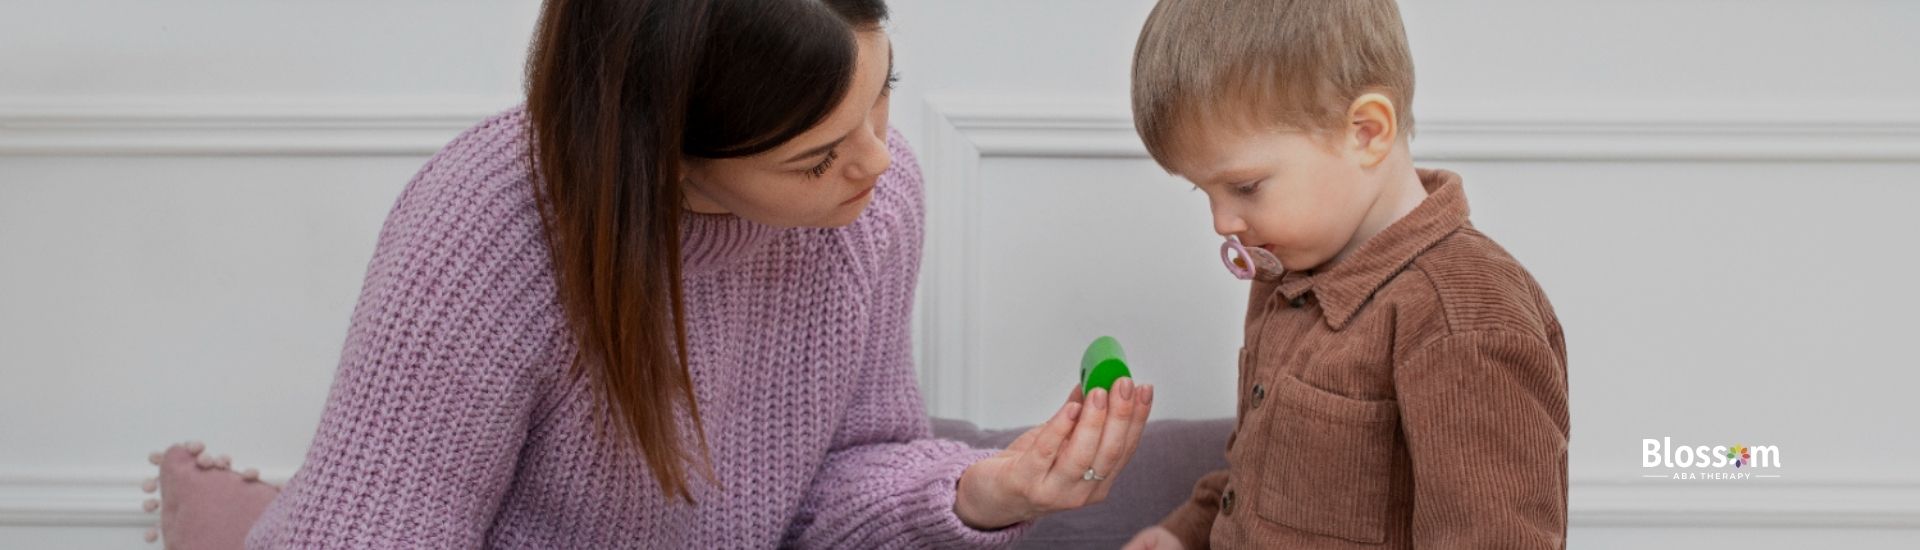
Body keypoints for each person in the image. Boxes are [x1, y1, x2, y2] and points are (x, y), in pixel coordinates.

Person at [142, 1, 1154, 547]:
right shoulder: (486, 227)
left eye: (883, 100)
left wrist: (983, 490)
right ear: (663, 161)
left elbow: (837, 485)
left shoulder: (875, 210)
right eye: (815, 156)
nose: (878, 165)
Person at [1121, 1, 1568, 548]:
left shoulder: (1461, 316)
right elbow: (1267, 469)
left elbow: (1493, 536)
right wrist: (1185, 535)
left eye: (1244, 187)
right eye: (1203, 191)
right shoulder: (1284, 278)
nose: (1222, 222)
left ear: (1365, 132)